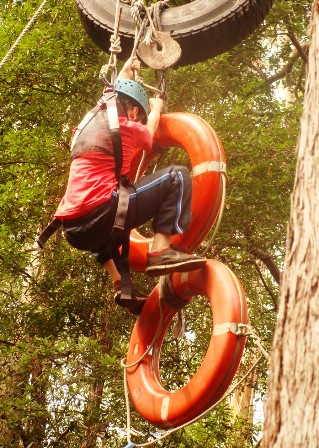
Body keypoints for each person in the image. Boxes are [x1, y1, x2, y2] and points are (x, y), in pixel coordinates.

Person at [43, 56, 206, 314]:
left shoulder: (84, 125)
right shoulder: (128, 127)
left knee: (97, 226)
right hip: (103, 212)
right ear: (133, 113)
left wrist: (125, 72)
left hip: (72, 228)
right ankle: (160, 251)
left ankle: (119, 283)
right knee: (177, 176)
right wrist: (155, 108)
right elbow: (149, 134)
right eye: (137, 116)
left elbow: (108, 97)